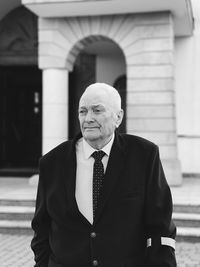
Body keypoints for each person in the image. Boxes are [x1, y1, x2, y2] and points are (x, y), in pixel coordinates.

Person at [31, 82, 177, 267]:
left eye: (97, 110)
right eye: (82, 111)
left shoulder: (144, 155)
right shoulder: (52, 163)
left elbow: (160, 226)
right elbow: (41, 227)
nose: (88, 118)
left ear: (118, 117)